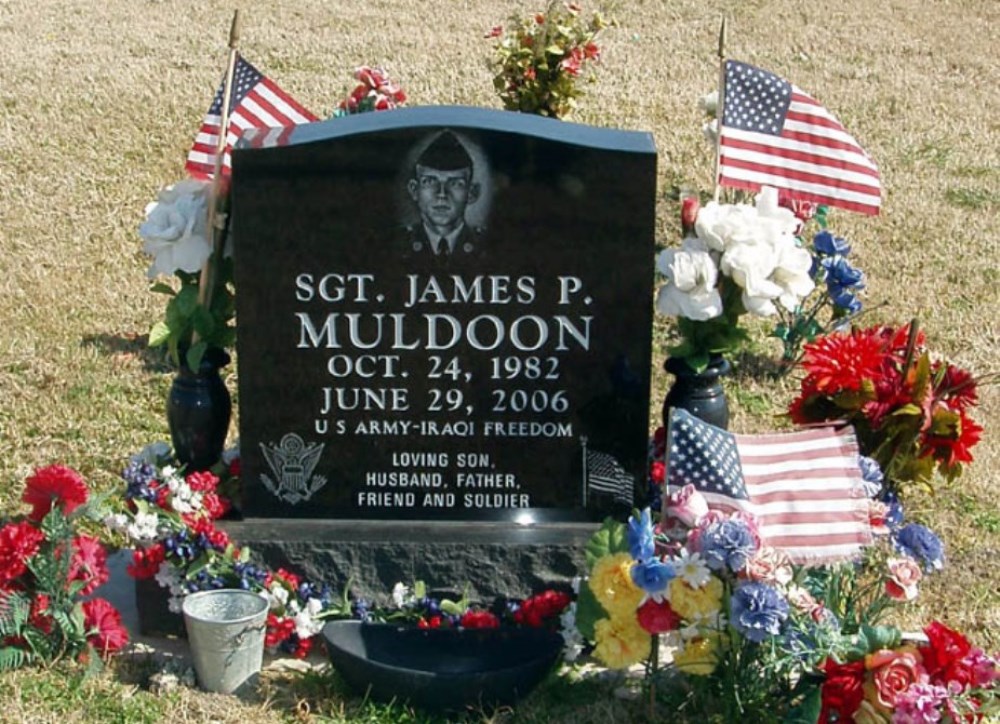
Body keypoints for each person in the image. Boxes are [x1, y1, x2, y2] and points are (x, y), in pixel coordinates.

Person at [404, 131, 485, 256]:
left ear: (472, 193)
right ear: (414, 190)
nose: (442, 194)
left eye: (455, 183)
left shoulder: (495, 247)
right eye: (430, 181)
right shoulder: (391, 245)